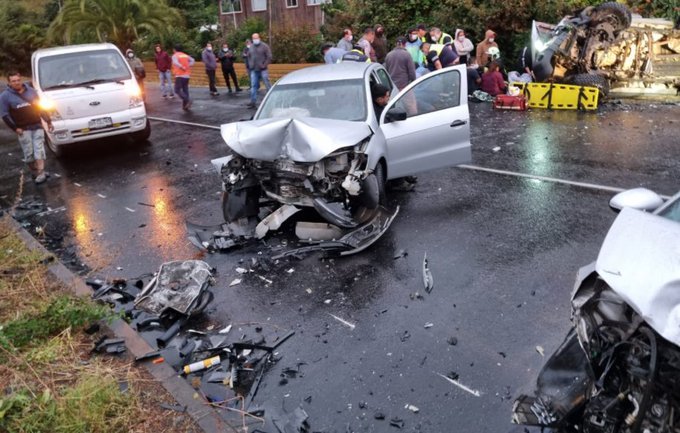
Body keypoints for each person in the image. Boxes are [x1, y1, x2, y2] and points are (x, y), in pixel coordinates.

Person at [0, 71, 54, 184]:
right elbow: (5, 115)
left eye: (18, 80)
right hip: (22, 129)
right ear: (9, 83)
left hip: (37, 125)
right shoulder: (5, 96)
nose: (16, 83)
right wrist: (15, 128)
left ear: (21, 80)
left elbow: (40, 107)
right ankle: (36, 171)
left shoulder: (31, 91)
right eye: (13, 81)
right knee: (29, 154)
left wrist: (48, 121)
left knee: (39, 149)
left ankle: (41, 172)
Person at [247, 33, 273, 108]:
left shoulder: (265, 46)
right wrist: (250, 64)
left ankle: (271, 99)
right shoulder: (251, 46)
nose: (255, 40)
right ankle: (253, 102)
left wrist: (264, 65)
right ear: (252, 39)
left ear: (259, 38)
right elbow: (249, 56)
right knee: (253, 85)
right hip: (254, 70)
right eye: (254, 38)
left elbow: (269, 57)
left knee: (267, 84)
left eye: (256, 38)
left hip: (263, 69)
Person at [172, 44, 195, 110]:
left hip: (179, 75)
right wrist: (188, 66)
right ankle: (185, 106)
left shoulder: (175, 55)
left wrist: (182, 67)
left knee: (177, 90)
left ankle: (188, 100)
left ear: (175, 49)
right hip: (187, 75)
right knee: (185, 90)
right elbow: (193, 60)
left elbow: (175, 62)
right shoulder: (185, 55)